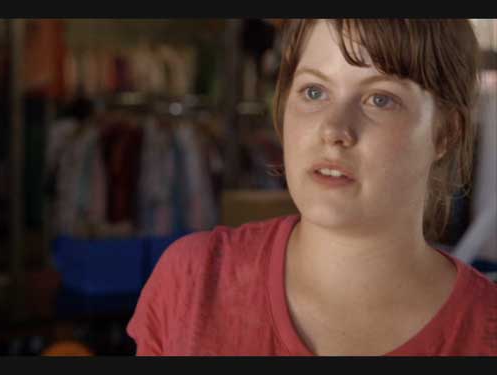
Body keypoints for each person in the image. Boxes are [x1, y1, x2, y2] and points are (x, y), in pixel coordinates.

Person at [126, 19, 497, 356]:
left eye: (380, 99)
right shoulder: (193, 282)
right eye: (314, 92)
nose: (334, 130)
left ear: (446, 133)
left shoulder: (485, 333)